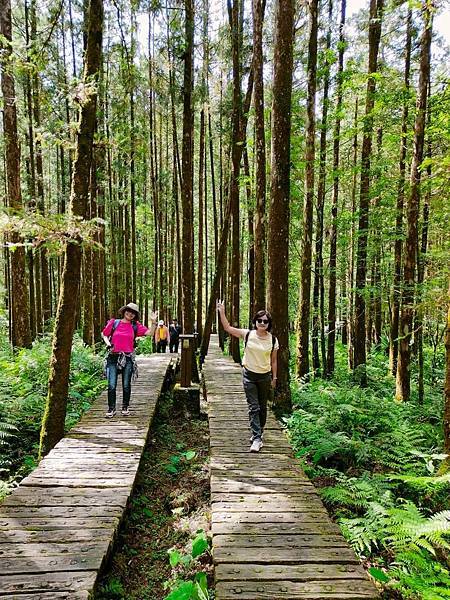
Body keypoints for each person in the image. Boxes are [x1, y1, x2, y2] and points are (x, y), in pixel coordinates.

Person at [216, 300, 278, 452]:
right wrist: (222, 312)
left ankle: (258, 432)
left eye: (265, 321)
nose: (262, 323)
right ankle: (256, 438)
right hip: (249, 375)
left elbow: (274, 360)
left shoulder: (273, 340)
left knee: (263, 408)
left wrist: (274, 378)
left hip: (264, 376)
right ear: (255, 321)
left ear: (269, 323)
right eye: (260, 320)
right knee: (254, 407)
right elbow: (228, 328)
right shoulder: (248, 334)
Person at [102, 302, 156, 418]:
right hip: (113, 357)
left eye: (133, 313)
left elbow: (150, 333)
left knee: (126, 385)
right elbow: (104, 334)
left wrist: (153, 322)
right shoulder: (114, 322)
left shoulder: (135, 325)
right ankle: (111, 409)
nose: (130, 314)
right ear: (124, 311)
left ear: (135, 315)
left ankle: (125, 407)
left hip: (128, 358)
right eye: (128, 311)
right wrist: (108, 344)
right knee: (111, 385)